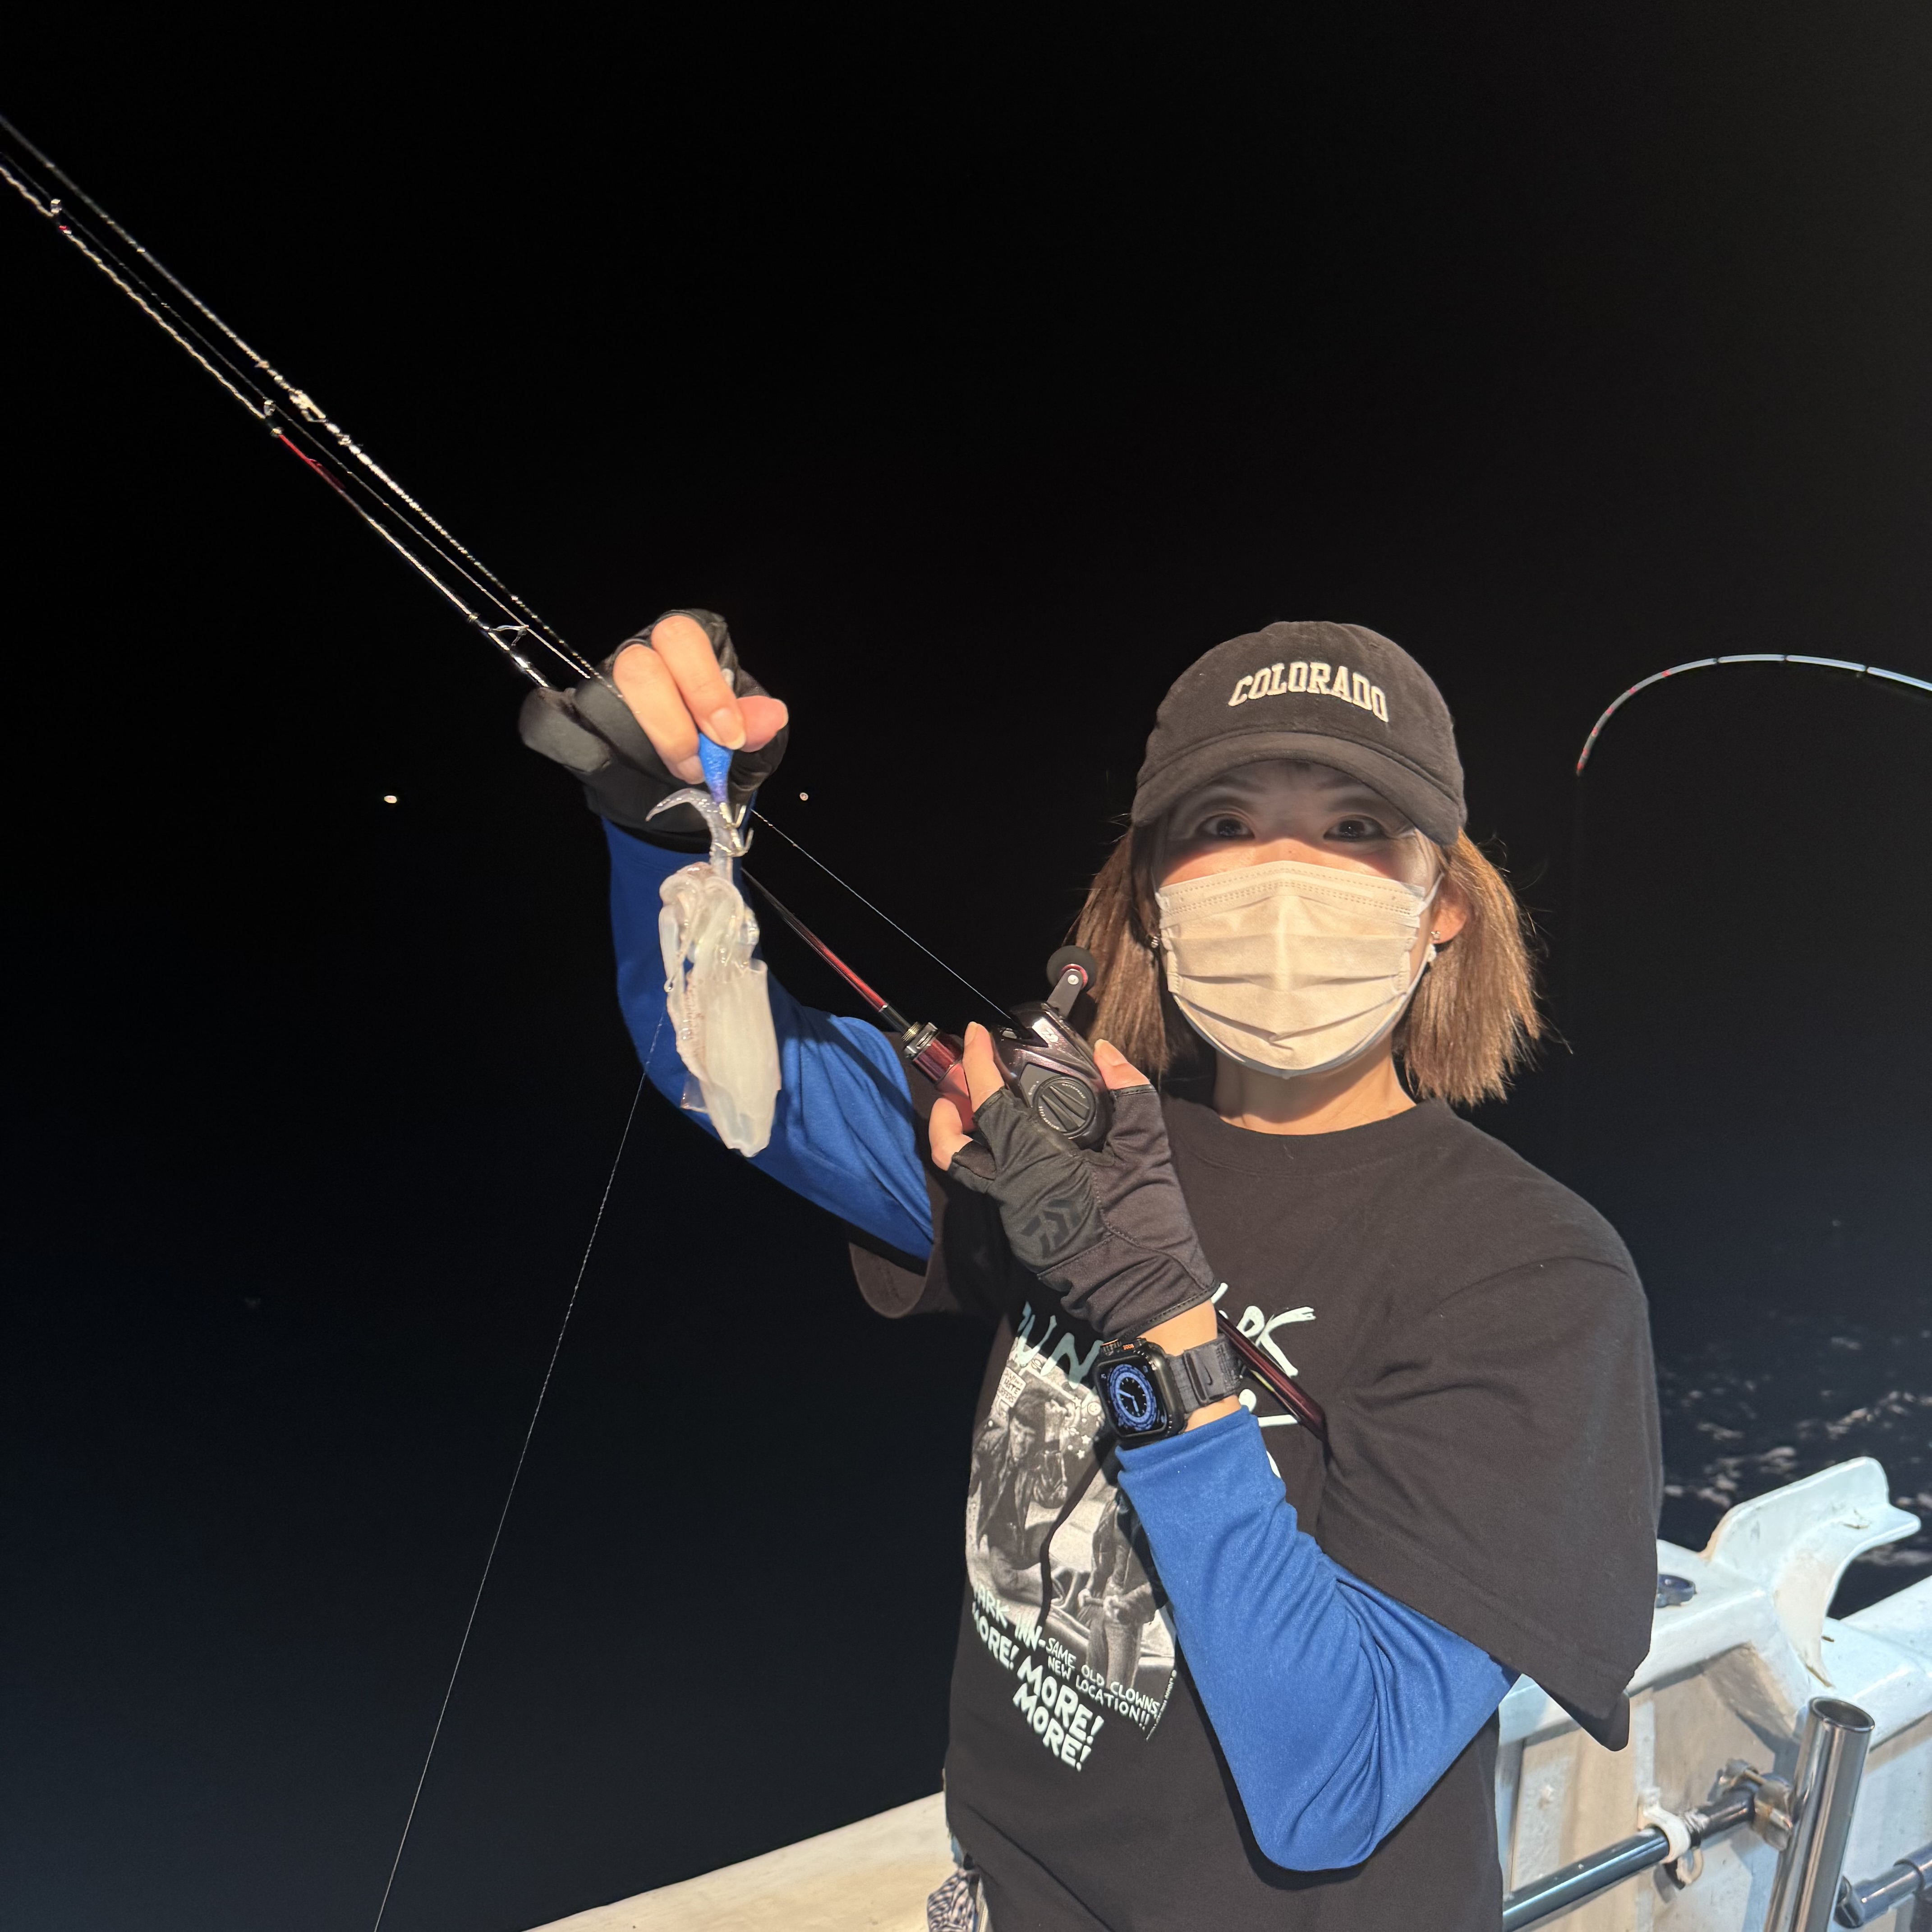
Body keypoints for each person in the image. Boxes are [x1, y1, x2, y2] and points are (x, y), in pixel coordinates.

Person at [521, 610, 1663, 1931]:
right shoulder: (1071, 1143)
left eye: (1355, 827)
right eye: (1223, 823)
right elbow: (732, 1074)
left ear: (1444, 903)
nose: (1283, 872)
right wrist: (664, 838)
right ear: (1147, 900)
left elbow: (1336, 1779)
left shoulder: (1533, 1276)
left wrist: (1159, 1324)